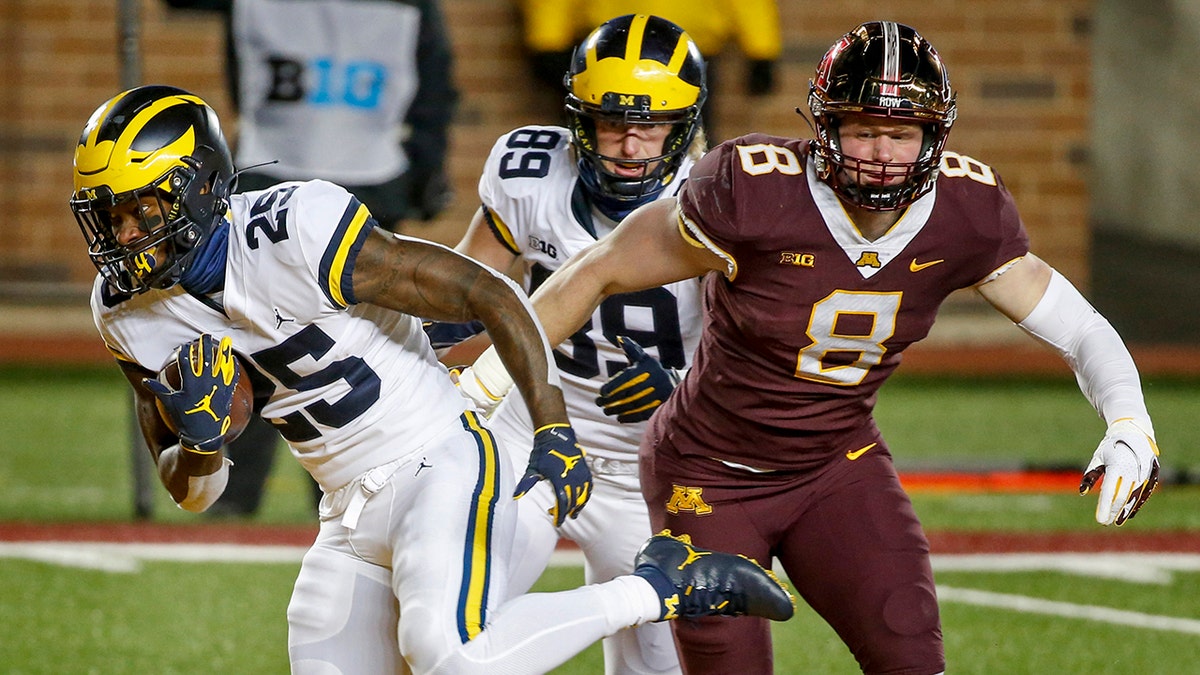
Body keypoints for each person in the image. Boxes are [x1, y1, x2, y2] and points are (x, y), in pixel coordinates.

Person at [455, 21, 1163, 674]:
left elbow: (1078, 327)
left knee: (909, 644)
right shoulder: (754, 191)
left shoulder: (967, 212)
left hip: (837, 465)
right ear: (824, 128)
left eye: (902, 132)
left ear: (935, 135)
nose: (881, 154)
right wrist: (484, 383)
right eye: (862, 130)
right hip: (709, 470)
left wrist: (1128, 419)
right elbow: (600, 267)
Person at [70, 85, 794, 673]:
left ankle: (662, 583)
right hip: (345, 506)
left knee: (451, 657)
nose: (125, 236)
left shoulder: (295, 230)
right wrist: (200, 445)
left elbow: (491, 292)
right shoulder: (125, 310)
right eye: (109, 217)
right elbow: (193, 493)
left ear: (198, 187)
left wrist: (551, 425)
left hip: (438, 458)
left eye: (142, 209)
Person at [431, 14, 707, 675]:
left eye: (652, 125)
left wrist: (684, 389)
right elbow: (468, 296)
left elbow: (759, 353)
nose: (631, 144)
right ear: (580, 119)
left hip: (652, 467)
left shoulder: (720, 201)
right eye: (612, 122)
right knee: (450, 629)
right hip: (531, 436)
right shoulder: (530, 174)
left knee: (663, 666)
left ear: (684, 127)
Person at [163, 0, 460, 517]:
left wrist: (425, 165)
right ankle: (244, 495)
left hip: (332, 170)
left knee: (341, 341)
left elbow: (433, 83)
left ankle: (343, 487)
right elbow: (434, 88)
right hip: (313, 171)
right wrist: (424, 166)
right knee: (257, 338)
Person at [515, 0, 781, 141]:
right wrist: (547, 39)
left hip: (686, 55)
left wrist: (761, 48)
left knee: (688, 143)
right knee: (598, 142)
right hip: (608, 54)